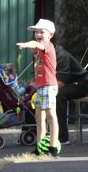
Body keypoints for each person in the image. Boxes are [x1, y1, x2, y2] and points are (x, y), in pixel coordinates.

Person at [18, 19, 59, 156]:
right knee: (39, 117)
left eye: (42, 32)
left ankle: (53, 147)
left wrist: (25, 44)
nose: (38, 34)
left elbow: (36, 44)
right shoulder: (38, 51)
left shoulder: (48, 46)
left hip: (48, 86)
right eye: (36, 32)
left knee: (50, 116)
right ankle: (40, 147)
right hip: (41, 86)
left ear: (50, 34)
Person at [55, 45, 88, 146]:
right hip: (63, 84)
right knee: (33, 94)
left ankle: (63, 137)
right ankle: (33, 132)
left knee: (57, 95)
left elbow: (61, 82)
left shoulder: (61, 56)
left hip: (79, 85)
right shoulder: (39, 55)